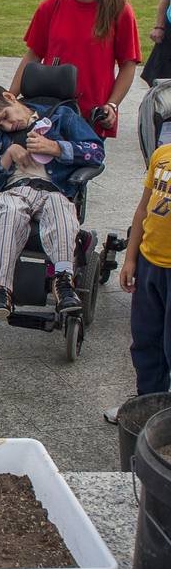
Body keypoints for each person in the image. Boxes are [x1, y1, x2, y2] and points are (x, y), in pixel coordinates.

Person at [0, 83, 104, 319]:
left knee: (61, 209)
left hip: (52, 190)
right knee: (11, 211)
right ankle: (0, 290)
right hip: (10, 192)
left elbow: (96, 152)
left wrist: (57, 148)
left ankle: (63, 282)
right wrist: (6, 157)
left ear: (10, 97)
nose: (8, 126)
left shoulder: (62, 117)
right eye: (0, 125)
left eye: (5, 117)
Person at [10, 0, 140, 140]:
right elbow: (32, 56)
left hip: (90, 113)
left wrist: (112, 105)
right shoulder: (50, 7)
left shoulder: (120, 11)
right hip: (49, 109)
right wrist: (11, 97)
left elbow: (128, 65)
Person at [120, 141, 171, 394]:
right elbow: (143, 211)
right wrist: (131, 259)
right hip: (149, 263)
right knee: (145, 340)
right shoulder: (162, 155)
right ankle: (148, 403)